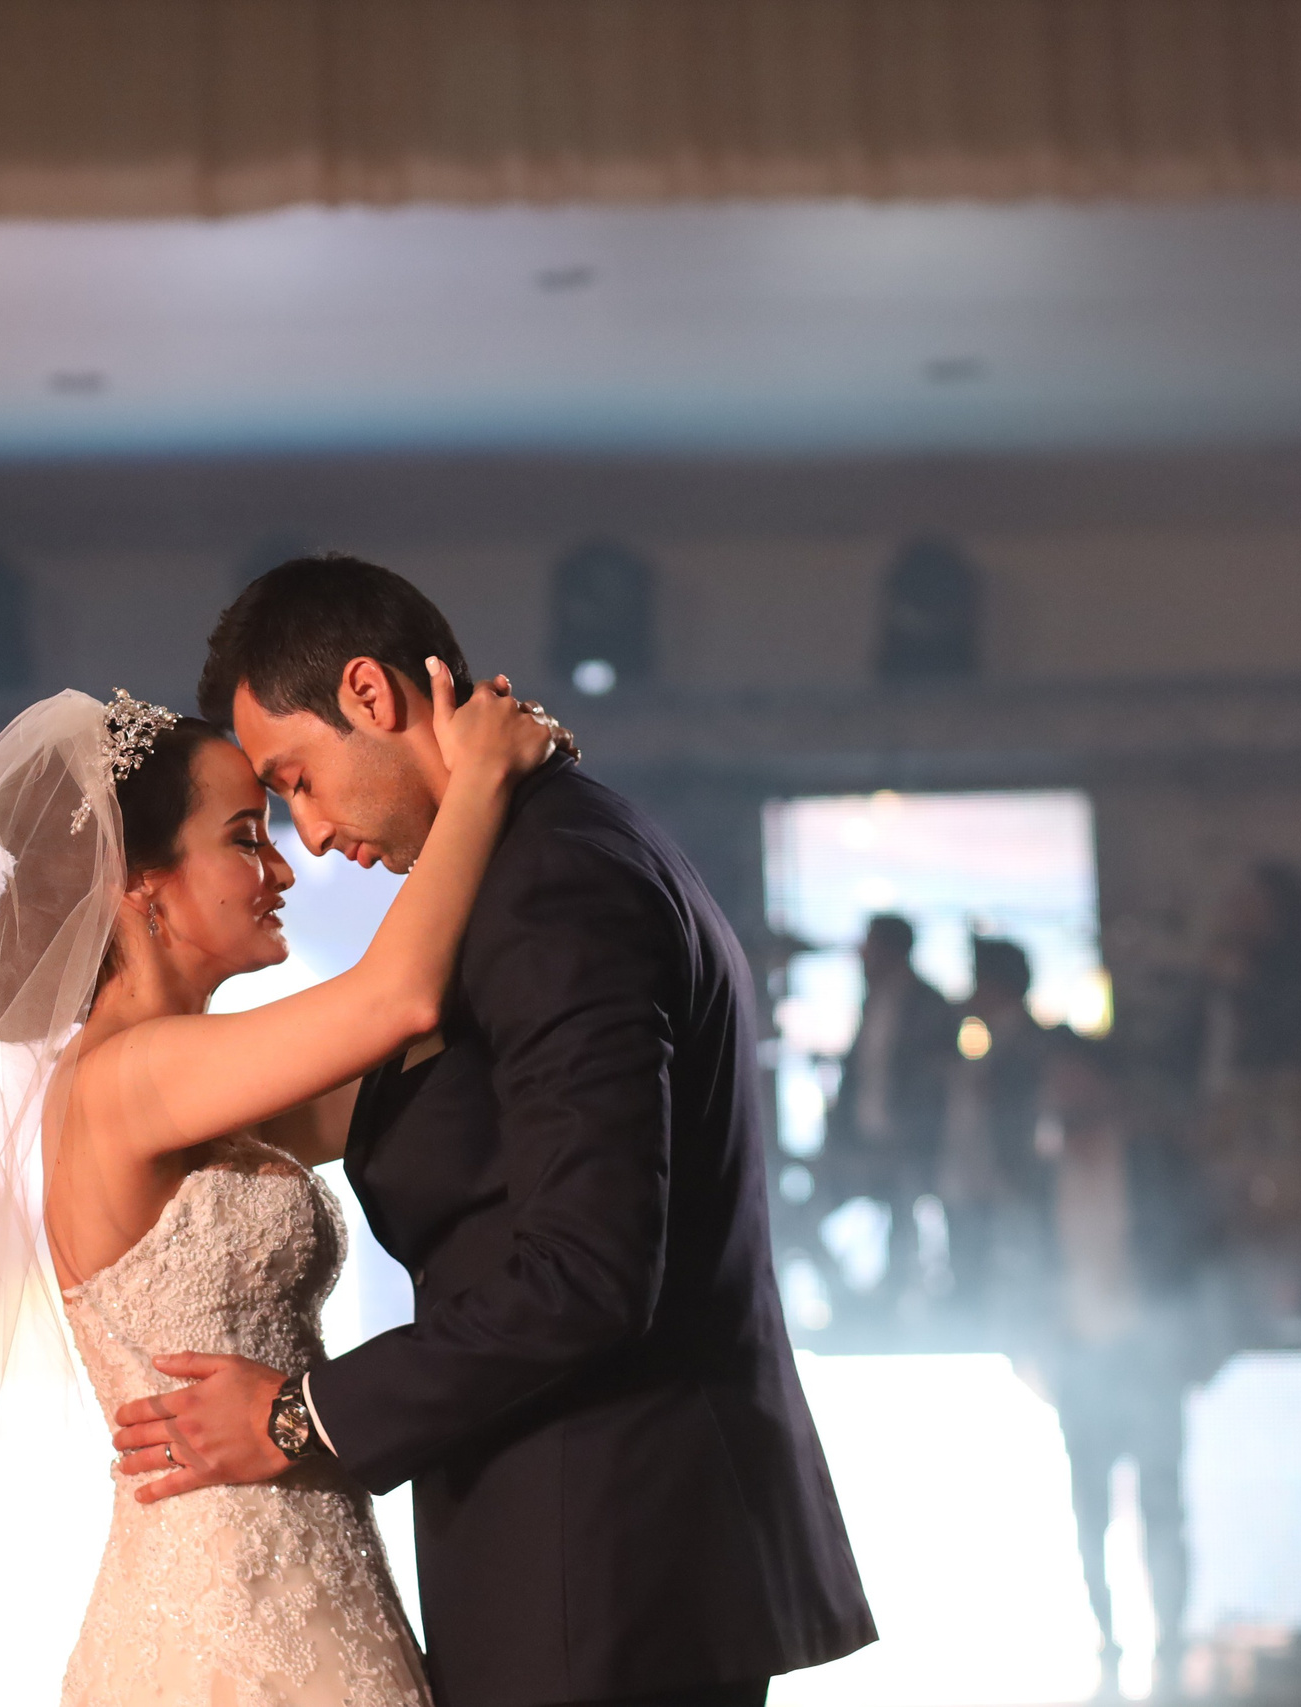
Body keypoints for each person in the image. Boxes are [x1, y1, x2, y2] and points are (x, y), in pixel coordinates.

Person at [102, 556, 874, 1707]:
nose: (305, 842)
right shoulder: (546, 853)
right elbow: (387, 1030)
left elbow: (589, 1271)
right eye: (263, 817)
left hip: (599, 1558)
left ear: (369, 693)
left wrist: (297, 1416)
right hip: (577, 1556)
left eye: (297, 782)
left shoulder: (552, 881)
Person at [0, 655, 560, 1707]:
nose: (285, 869)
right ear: (138, 883)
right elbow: (394, 1002)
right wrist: (477, 784)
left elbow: (419, 1065)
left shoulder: (195, 1079)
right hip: (226, 1606)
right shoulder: (131, 1076)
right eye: (243, 837)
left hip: (300, 1569)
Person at [1036, 1031, 1204, 1701]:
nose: (1066, 1093)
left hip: (1146, 1349)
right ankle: (1108, 1638)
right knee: (1090, 1509)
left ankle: (1170, 1637)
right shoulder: (1042, 1170)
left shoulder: (1151, 1161)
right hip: (1081, 1357)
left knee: (1163, 1502)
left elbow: (1188, 1243)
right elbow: (1030, 1263)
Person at [1182, 862, 1301, 1318]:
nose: (1238, 914)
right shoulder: (1209, 984)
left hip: (1277, 1147)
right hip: (1211, 1144)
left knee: (1278, 1269)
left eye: (1253, 904)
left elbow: (1290, 1056)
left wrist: (1243, 992)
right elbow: (1184, 1056)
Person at [823, 913, 960, 1306]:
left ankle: (906, 1302)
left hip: (910, 1144)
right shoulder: (876, 1001)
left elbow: (932, 1080)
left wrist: (912, 1132)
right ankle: (881, 1302)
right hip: (872, 1139)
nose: (862, 953)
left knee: (906, 1224)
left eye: (869, 943)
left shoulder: (926, 1004)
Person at [939, 937, 1052, 1322]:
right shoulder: (985, 1041)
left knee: (1012, 1281)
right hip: (977, 1183)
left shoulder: (1031, 1044)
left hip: (1008, 1183)